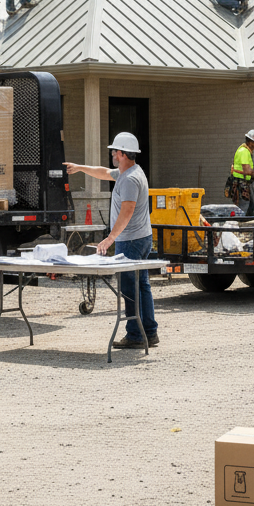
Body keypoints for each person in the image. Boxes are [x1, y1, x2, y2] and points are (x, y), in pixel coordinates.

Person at [63, 133, 158, 349]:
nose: (113, 154)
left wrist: (109, 239)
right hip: (139, 238)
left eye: (115, 151)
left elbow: (128, 210)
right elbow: (104, 173)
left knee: (129, 287)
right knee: (141, 284)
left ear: (123, 154)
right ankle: (149, 332)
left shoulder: (131, 179)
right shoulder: (128, 172)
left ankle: (135, 335)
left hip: (131, 241)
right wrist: (80, 167)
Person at [230, 130, 254, 214]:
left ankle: (243, 223)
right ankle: (237, 223)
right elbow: (247, 171)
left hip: (240, 182)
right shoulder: (244, 152)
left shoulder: (243, 150)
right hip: (241, 183)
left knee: (249, 206)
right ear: (250, 142)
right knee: (243, 206)